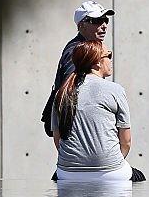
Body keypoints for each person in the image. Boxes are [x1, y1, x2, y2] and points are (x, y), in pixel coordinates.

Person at [42, 1, 144, 181]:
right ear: (81, 25)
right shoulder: (77, 52)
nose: (103, 25)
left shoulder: (83, 48)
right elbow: (78, 102)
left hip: (70, 166)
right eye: (96, 21)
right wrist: (103, 164)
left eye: (105, 20)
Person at [50, 41, 133, 182]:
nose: (111, 60)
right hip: (111, 172)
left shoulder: (62, 92)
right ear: (97, 62)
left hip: (67, 173)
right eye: (109, 55)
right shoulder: (115, 90)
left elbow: (58, 140)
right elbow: (126, 142)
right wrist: (106, 164)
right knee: (139, 178)